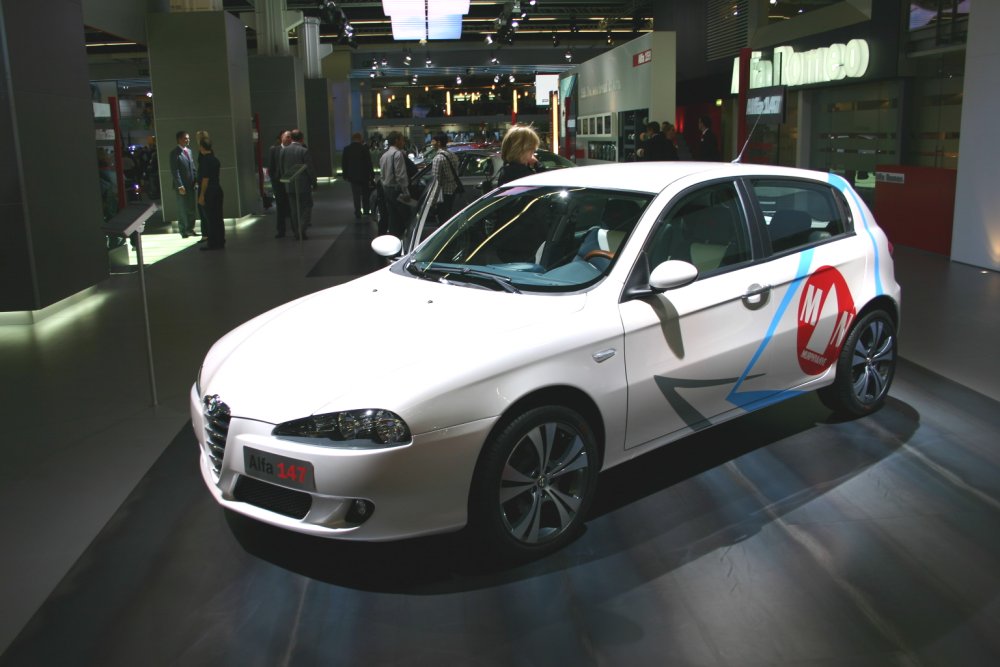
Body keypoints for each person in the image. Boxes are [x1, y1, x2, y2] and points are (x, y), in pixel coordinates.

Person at [280, 129, 316, 240]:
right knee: (307, 207)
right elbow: (309, 169)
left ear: (291, 138)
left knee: (294, 210)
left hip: (290, 184)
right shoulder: (303, 151)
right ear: (302, 139)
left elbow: (281, 169)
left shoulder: (284, 151)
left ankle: (297, 231)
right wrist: (313, 182)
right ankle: (301, 230)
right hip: (303, 185)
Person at [378, 131, 412, 237]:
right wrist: (406, 192)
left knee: (393, 219)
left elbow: (382, 176)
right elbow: (401, 176)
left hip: (387, 190)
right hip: (397, 191)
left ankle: (394, 240)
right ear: (397, 140)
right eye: (402, 140)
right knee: (407, 218)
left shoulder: (384, 155)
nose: (403, 142)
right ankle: (408, 242)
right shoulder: (398, 154)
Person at [195, 132, 225, 250]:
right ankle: (220, 241)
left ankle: (212, 243)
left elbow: (205, 180)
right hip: (217, 190)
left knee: (210, 219)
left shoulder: (204, 162)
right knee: (218, 217)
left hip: (209, 192)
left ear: (201, 147)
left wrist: (202, 195)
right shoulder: (215, 159)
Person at [169, 130, 197, 238]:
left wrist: (196, 180)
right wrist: (180, 185)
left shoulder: (188, 151)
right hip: (181, 186)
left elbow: (193, 167)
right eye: (186, 138)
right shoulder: (174, 153)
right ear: (179, 139)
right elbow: (174, 171)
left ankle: (190, 229)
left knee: (191, 208)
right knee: (182, 209)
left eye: (188, 138)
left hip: (191, 185)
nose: (188, 140)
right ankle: (183, 230)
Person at [341, 132, 375, 219]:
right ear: (360, 139)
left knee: (356, 195)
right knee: (365, 194)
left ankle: (357, 212)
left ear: (352, 139)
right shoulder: (364, 149)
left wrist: (345, 175)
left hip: (352, 176)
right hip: (364, 176)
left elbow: (344, 164)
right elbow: (368, 163)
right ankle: (366, 210)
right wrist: (372, 175)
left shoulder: (347, 149)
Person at [430, 132, 461, 222]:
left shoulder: (438, 158)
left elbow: (436, 181)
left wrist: (432, 201)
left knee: (442, 219)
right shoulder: (453, 155)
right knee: (448, 218)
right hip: (452, 191)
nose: (431, 143)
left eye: (433, 141)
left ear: (438, 143)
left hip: (442, 194)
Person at [268, 130, 292, 237]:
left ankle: (295, 228)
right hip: (278, 182)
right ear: (281, 138)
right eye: (286, 137)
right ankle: (281, 230)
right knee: (280, 207)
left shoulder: (293, 149)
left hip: (291, 181)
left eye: (290, 137)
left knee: (292, 206)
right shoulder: (274, 150)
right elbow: (271, 166)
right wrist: (274, 180)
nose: (288, 139)